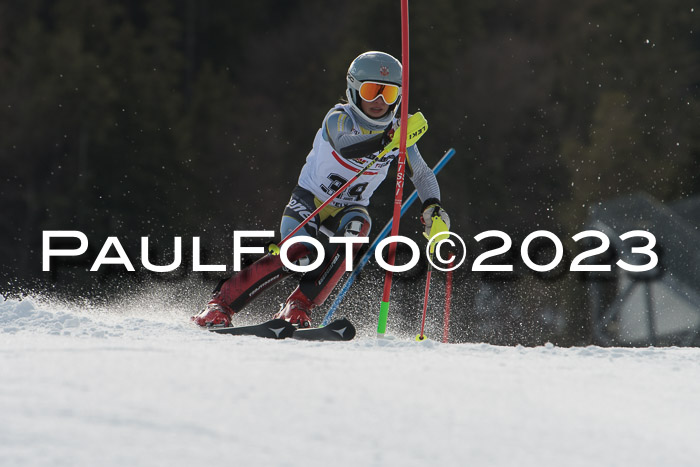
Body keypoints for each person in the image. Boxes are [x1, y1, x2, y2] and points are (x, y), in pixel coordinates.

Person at [192, 51, 450, 328]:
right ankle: (220, 305)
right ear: (353, 89)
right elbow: (346, 145)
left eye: (388, 94)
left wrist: (432, 208)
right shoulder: (339, 117)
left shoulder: (400, 133)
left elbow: (422, 174)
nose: (378, 101)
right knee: (298, 253)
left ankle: (298, 306)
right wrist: (389, 139)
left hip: (350, 208)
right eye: (371, 90)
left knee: (359, 226)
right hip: (310, 201)